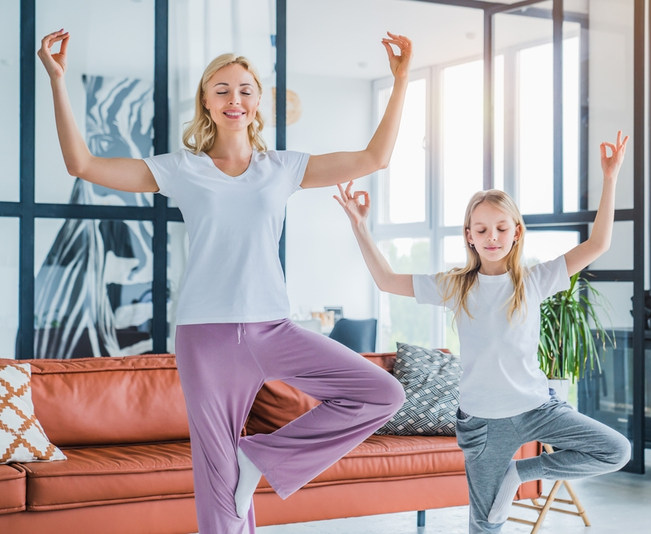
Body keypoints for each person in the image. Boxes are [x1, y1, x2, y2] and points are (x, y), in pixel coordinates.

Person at [38, 28, 411, 533]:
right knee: (219, 488)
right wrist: (57, 80)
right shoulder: (182, 169)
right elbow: (81, 164)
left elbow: (374, 159)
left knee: (382, 393)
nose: (234, 99)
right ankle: (245, 471)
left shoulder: (282, 167)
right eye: (222, 91)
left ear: (257, 103)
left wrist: (403, 79)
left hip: (273, 330)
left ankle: (262, 458)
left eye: (244, 90)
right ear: (207, 105)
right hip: (205, 335)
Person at [334, 131, 632, 533]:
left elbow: (598, 243)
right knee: (486, 524)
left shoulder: (536, 280)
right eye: (482, 229)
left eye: (500, 228)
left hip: (537, 410)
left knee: (616, 450)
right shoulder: (457, 285)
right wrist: (359, 226)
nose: (492, 237)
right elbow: (387, 280)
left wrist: (610, 178)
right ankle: (507, 481)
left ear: (516, 232)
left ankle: (521, 473)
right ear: (469, 236)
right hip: (483, 423)